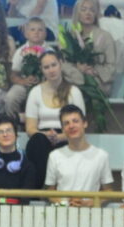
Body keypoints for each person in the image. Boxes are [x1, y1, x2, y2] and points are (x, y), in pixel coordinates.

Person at [24, 51, 86, 189]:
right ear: (41, 70)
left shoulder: (74, 92)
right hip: (42, 137)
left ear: (60, 64)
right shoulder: (35, 92)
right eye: (46, 67)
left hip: (67, 136)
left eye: (54, 65)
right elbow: (30, 129)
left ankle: (52, 191)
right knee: (38, 142)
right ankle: (37, 191)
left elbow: (81, 127)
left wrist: (60, 137)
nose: (51, 70)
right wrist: (46, 135)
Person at [44, 104, 113, 206]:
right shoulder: (54, 156)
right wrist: (66, 203)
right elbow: (49, 192)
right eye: (66, 123)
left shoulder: (101, 155)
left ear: (85, 123)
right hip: (62, 211)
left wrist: (89, 203)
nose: (71, 126)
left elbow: (108, 191)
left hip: (90, 212)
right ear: (63, 129)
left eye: (75, 121)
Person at [61, 0, 118, 96]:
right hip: (73, 82)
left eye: (92, 10)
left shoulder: (106, 36)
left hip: (97, 83)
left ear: (96, 14)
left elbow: (111, 66)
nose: (88, 13)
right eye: (84, 10)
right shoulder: (68, 36)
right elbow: (63, 63)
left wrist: (94, 70)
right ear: (77, 13)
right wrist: (77, 68)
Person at [3, 17, 50, 118]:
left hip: (45, 84)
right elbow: (13, 73)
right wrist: (23, 81)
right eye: (32, 30)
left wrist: (43, 81)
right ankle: (14, 122)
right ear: (26, 34)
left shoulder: (50, 51)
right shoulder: (20, 51)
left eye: (40, 30)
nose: (36, 32)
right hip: (24, 84)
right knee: (10, 98)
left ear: (45, 34)